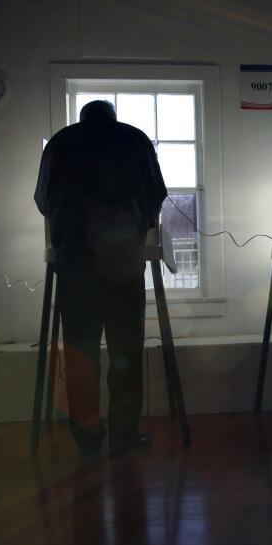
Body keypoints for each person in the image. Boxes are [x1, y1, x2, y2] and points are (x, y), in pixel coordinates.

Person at [35, 100, 167, 455]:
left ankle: (88, 440)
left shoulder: (60, 143)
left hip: (76, 264)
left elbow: (44, 201)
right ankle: (124, 436)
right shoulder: (136, 140)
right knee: (126, 353)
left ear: (83, 118)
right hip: (123, 262)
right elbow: (157, 195)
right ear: (113, 116)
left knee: (81, 355)